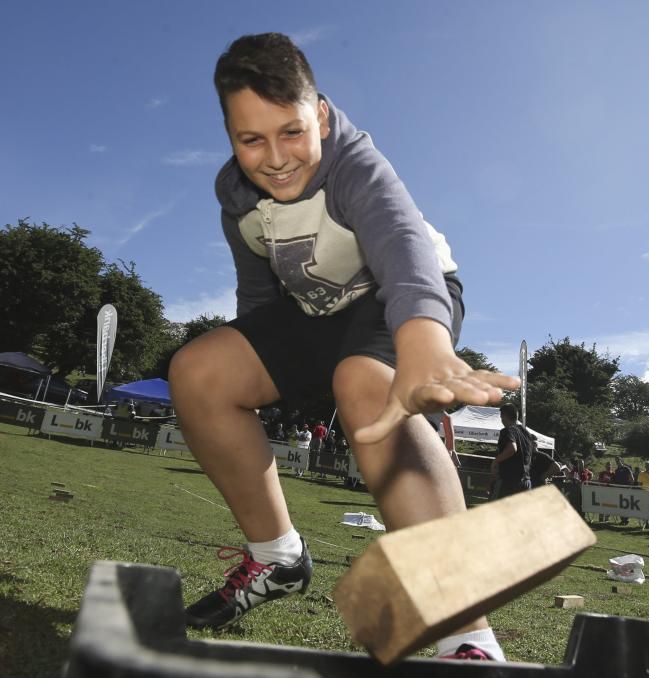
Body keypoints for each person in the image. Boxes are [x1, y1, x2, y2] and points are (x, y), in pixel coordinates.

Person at [170, 33, 517, 661]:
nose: (275, 158)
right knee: (199, 371)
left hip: (404, 298)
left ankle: (466, 633)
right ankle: (277, 559)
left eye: (292, 132)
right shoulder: (235, 199)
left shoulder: (355, 162)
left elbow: (404, 248)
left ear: (321, 116)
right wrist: (268, 379)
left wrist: (425, 343)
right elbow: (259, 301)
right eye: (251, 140)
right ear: (229, 137)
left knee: (365, 387)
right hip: (315, 313)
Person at [492, 404, 533, 499]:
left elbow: (512, 449)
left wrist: (495, 461)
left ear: (504, 416)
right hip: (526, 482)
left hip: (510, 482)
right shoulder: (526, 433)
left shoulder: (508, 431)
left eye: (501, 416)